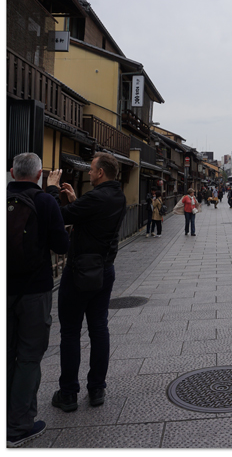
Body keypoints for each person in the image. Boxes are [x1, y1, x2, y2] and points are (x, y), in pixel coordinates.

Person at [46, 152, 126, 412]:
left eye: (91, 170)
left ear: (101, 172)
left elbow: (60, 217)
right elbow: (89, 218)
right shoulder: (117, 196)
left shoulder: (96, 197)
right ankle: (96, 389)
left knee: (70, 331)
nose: (89, 173)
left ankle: (68, 393)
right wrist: (74, 201)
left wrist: (50, 189)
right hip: (105, 269)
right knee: (99, 329)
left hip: (80, 270)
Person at [7, 153, 70, 448]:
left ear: (11, 173)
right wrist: (54, 196)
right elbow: (61, 245)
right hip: (35, 289)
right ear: (39, 175)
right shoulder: (45, 201)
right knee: (29, 355)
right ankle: (19, 425)